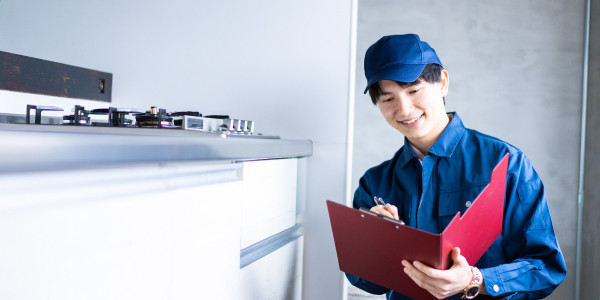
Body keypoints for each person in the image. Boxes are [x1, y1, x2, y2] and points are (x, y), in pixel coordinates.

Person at [346, 34, 567, 299]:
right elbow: (366, 281)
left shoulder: (506, 163)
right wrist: (373, 243)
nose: (404, 110)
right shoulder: (374, 183)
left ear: (442, 83)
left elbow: (546, 268)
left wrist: (475, 279)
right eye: (388, 99)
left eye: (414, 91)